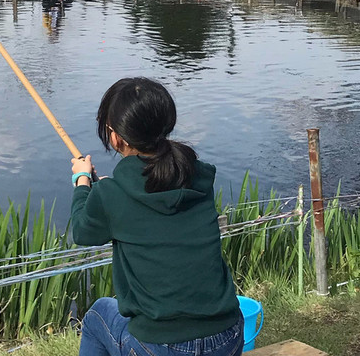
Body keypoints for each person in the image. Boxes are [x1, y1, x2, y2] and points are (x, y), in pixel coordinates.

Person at [70, 77, 242, 356]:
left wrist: (81, 181)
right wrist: (103, 189)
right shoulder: (199, 175)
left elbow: (82, 231)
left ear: (115, 137)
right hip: (227, 337)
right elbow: (148, 188)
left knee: (97, 315)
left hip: (162, 346)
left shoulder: (111, 195)